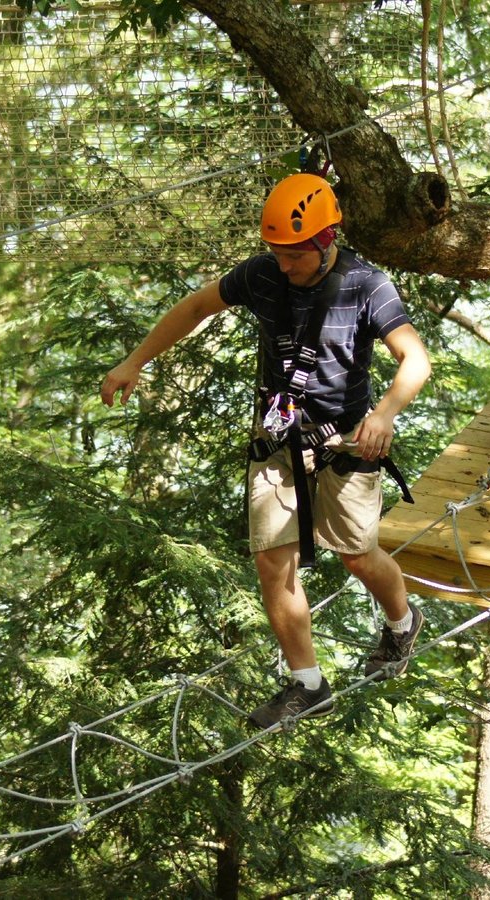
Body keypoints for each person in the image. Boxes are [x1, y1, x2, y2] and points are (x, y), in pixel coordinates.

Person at [100, 173, 432, 729]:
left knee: (356, 555)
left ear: (327, 241)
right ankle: (307, 683)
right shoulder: (263, 276)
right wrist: (136, 361)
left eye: (295, 255)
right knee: (271, 563)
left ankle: (402, 622)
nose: (284, 266)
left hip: (345, 442)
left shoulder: (366, 286)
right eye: (276, 254)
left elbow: (414, 360)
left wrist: (384, 415)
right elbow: (195, 308)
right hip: (277, 440)